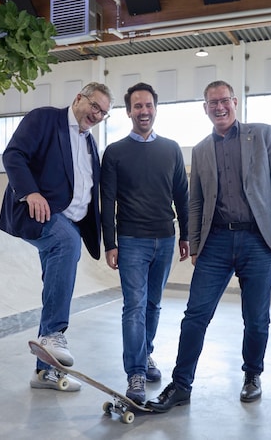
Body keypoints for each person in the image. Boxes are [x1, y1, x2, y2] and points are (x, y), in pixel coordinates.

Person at [147, 80, 271, 412]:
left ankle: (252, 375)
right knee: (195, 316)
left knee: (257, 318)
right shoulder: (202, 149)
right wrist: (194, 241)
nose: (219, 107)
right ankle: (181, 384)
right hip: (216, 241)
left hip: (257, 239)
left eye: (224, 101)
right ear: (204, 109)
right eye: (211, 103)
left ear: (235, 102)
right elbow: (196, 200)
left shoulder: (262, 134)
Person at [0, 82, 114, 392]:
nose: (97, 114)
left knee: (56, 282)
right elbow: (13, 155)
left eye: (104, 112)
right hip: (39, 213)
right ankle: (53, 335)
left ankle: (44, 372)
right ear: (78, 98)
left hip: (72, 223)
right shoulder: (44, 119)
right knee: (65, 242)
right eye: (94, 106)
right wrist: (30, 192)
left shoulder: (90, 145)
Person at [100, 83, 189, 404]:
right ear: (128, 112)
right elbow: (106, 199)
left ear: (156, 108)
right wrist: (110, 243)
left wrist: (186, 234)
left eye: (148, 105)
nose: (144, 111)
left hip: (165, 238)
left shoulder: (171, 149)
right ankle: (135, 371)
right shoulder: (115, 152)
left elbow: (182, 194)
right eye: (137, 106)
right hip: (131, 240)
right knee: (134, 306)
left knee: (153, 305)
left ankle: (146, 353)